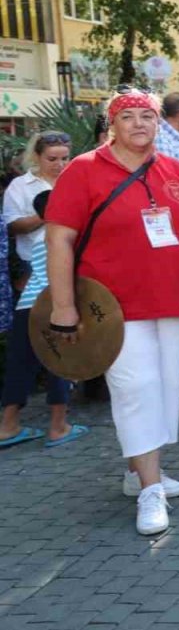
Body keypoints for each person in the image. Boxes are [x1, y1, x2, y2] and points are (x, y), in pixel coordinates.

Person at [46, 89, 179, 534]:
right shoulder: (83, 170)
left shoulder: (173, 168)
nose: (140, 124)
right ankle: (150, 490)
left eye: (148, 116)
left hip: (170, 299)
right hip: (111, 309)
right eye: (129, 117)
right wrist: (64, 307)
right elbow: (59, 239)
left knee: (162, 389)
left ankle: (137, 471)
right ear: (112, 125)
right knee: (136, 390)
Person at [1, 191, 86, 449]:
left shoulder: (39, 237)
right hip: (52, 306)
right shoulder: (61, 238)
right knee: (60, 364)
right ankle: (58, 426)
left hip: (26, 306)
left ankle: (8, 425)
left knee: (19, 366)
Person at [4, 130, 71, 291]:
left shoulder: (76, 182)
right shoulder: (20, 186)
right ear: (36, 156)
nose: (60, 164)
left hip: (73, 258)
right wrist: (47, 213)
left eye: (65, 158)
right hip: (33, 264)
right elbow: (13, 226)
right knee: (36, 313)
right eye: (52, 159)